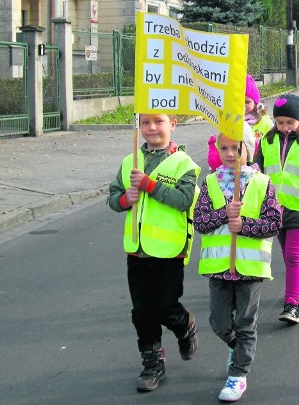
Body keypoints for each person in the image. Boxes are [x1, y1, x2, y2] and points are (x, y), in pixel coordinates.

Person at [108, 113, 201, 393]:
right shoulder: (129, 162)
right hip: (137, 251)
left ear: (173, 124)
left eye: (158, 122)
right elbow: (113, 198)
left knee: (165, 307)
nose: (151, 128)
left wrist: (149, 185)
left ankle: (185, 324)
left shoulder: (185, 164)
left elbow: (184, 199)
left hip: (169, 252)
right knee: (142, 312)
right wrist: (125, 198)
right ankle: (152, 363)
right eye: (145, 123)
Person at [193, 122, 281, 402]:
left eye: (236, 147)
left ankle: (238, 374)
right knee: (219, 322)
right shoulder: (209, 183)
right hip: (219, 269)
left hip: (250, 269)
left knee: (245, 322)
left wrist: (243, 225)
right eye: (224, 148)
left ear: (248, 148)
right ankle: (237, 346)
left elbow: (273, 223)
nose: (230, 154)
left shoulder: (262, 183)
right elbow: (200, 222)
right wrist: (223, 214)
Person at [253, 94, 299, 324]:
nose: (284, 127)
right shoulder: (266, 140)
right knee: (285, 255)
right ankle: (297, 285)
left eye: (290, 123)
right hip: (274, 209)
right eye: (280, 122)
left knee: (293, 255)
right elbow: (258, 171)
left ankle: (292, 304)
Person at [207, 75, 273, 171]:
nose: (242, 105)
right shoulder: (227, 122)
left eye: (247, 102)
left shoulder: (265, 123)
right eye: (238, 101)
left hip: (257, 170)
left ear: (256, 103)